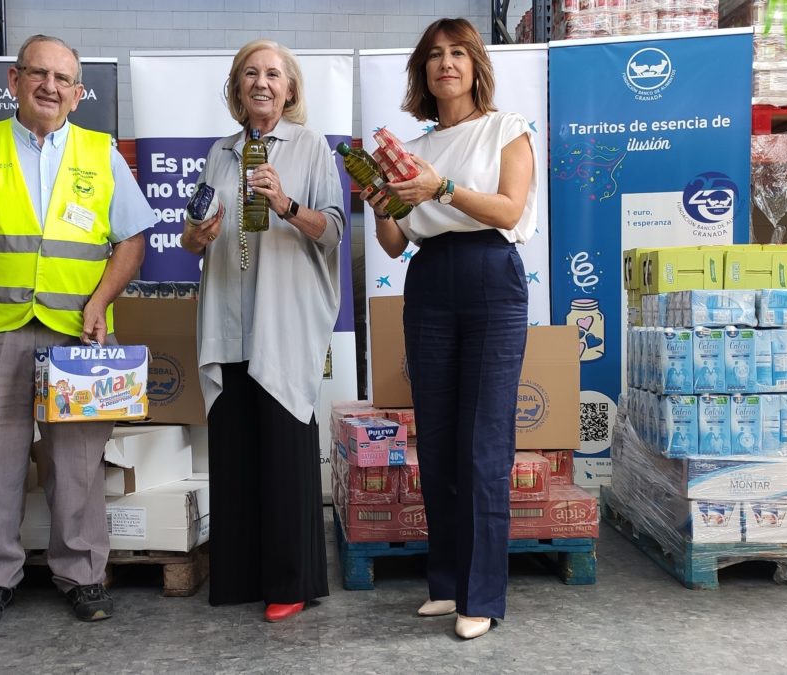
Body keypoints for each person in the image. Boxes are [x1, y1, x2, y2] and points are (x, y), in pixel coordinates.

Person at [0, 34, 156, 628]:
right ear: (14, 82)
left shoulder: (103, 153)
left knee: (78, 460)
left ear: (77, 93)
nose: (50, 86)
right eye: (38, 74)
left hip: (79, 333)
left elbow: (133, 242)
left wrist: (99, 302)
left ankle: (84, 574)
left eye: (63, 79)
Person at [363, 18, 537, 639]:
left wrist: (447, 188)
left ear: (475, 65)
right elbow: (395, 243)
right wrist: (381, 205)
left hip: (491, 275)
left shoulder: (507, 129)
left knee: (484, 447)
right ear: (423, 72)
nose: (446, 64)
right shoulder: (416, 149)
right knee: (435, 444)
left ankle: (482, 595)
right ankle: (447, 583)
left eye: (458, 52)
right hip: (430, 280)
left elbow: (510, 210)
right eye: (434, 55)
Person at [180, 40, 343, 622]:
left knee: (281, 450)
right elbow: (192, 237)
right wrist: (196, 235)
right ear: (236, 87)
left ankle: (289, 581)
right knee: (235, 448)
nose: (261, 82)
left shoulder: (312, 147)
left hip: (283, 320)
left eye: (273, 74)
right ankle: (241, 575)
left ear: (290, 89)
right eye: (250, 73)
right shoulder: (220, 154)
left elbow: (333, 230)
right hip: (228, 317)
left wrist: (287, 204)